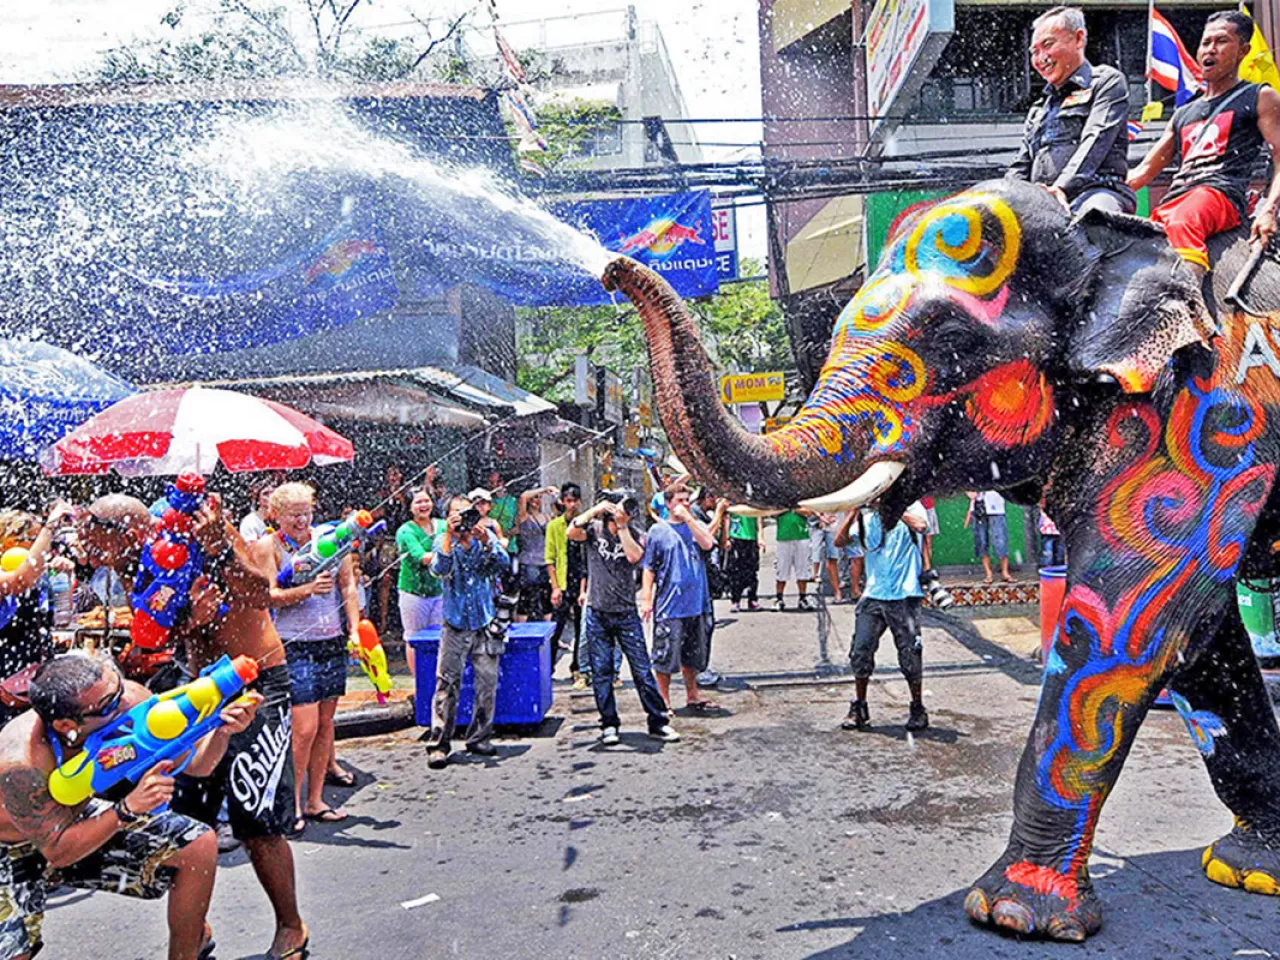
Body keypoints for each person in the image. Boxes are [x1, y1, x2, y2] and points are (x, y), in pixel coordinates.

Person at [78, 493, 309, 960]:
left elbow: (261, 593)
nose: (90, 552)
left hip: (255, 680)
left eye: (96, 540)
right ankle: (194, 930)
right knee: (183, 817)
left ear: (126, 531)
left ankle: (291, 925)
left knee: (255, 816)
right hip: (197, 687)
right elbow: (158, 632)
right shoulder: (138, 562)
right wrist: (182, 624)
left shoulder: (201, 529)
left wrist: (221, 550)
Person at [0, 653, 260, 960]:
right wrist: (125, 810)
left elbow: (199, 765)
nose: (123, 703)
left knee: (196, 844)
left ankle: (188, 948)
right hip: (15, 845)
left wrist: (221, 730)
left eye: (119, 688)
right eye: (109, 704)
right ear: (66, 724)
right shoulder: (21, 763)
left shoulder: (129, 699)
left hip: (73, 820)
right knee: (14, 952)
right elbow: (58, 852)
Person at [1129, 10, 1280, 278]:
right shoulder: (1182, 113)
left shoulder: (1259, 96)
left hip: (1220, 195)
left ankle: (1185, 302)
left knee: (1184, 220)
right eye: (1205, 42)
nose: (1210, 49)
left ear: (1243, 51)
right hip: (1176, 199)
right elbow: (1143, 172)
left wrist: (1269, 209)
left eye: (1221, 41)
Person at [260, 483, 361, 831]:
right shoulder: (270, 546)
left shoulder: (329, 539)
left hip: (331, 640)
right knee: (303, 729)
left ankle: (316, 800)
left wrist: (355, 629)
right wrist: (306, 590)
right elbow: (269, 595)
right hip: (294, 643)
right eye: (294, 515)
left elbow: (347, 585)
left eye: (306, 513)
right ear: (276, 515)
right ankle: (290, 803)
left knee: (325, 725)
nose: (302, 520)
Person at [569, 497, 680, 744]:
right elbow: (571, 532)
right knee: (601, 671)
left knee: (642, 670)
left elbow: (634, 557)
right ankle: (609, 724)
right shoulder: (593, 530)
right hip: (597, 611)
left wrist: (622, 526)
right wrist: (595, 510)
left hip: (626, 613)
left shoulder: (635, 533)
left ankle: (658, 722)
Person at [1008, 6, 1135, 216]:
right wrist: (1007, 196)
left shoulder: (1106, 82)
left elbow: (1096, 140)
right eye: (1034, 52)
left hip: (1098, 191)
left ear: (1078, 39)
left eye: (1048, 45)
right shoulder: (1039, 108)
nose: (1041, 58)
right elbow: (1021, 166)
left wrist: (1062, 187)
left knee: (1092, 220)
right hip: (1042, 202)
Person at [426, 496, 512, 769]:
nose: (463, 519)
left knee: (487, 683)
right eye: (457, 513)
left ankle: (479, 737)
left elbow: (502, 564)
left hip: (485, 621)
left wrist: (486, 542)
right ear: (448, 517)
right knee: (447, 684)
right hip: (455, 623)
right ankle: (439, 744)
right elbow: (439, 570)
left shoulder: (483, 537)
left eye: (467, 513)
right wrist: (449, 538)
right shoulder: (442, 540)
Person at [835, 501, 931, 732]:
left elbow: (921, 526)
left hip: (905, 594)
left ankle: (917, 708)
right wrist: (853, 512)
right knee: (860, 651)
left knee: (910, 654)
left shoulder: (912, 507)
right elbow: (840, 541)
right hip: (874, 595)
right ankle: (859, 707)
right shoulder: (868, 519)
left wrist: (894, 509)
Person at [640, 485, 719, 712]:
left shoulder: (697, 526)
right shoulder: (658, 531)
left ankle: (692, 694)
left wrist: (689, 520)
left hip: (697, 603)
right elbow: (649, 568)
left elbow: (708, 544)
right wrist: (646, 599)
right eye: (679, 500)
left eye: (687, 500)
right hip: (670, 605)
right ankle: (663, 700)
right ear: (668, 504)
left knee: (693, 655)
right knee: (665, 655)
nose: (684, 504)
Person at [0, 503, 75, 728]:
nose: (42, 548)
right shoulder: (11, 575)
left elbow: (62, 618)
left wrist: (63, 578)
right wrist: (50, 526)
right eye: (33, 540)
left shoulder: (39, 574)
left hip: (32, 679)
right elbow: (19, 581)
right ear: (8, 542)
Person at [396, 490, 444, 676]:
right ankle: (419, 681)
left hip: (439, 591)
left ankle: (437, 679)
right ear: (410, 507)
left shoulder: (443, 525)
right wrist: (448, 555)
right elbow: (421, 557)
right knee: (414, 637)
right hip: (413, 592)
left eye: (427, 501)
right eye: (418, 502)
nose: (424, 505)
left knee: (439, 636)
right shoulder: (405, 531)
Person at [545, 484, 588, 687]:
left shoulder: (585, 524)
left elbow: (586, 559)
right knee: (557, 626)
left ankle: (577, 667)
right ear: (562, 502)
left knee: (581, 627)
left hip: (580, 580)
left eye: (574, 500)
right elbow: (550, 558)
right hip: (562, 581)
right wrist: (555, 587)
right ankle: (548, 666)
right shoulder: (554, 526)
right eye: (568, 501)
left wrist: (583, 588)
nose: (572, 505)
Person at [372, 464, 413, 637]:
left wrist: (399, 496)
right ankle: (383, 621)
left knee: (407, 578)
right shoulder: (382, 494)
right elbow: (377, 513)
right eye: (390, 474)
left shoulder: (408, 493)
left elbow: (410, 511)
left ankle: (406, 621)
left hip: (406, 539)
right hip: (389, 541)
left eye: (396, 473)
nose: (393, 477)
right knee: (385, 579)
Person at [516, 485, 556, 627]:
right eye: (533, 498)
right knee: (526, 597)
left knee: (546, 596)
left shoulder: (546, 517)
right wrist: (544, 490)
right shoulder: (524, 516)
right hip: (529, 561)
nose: (536, 501)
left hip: (545, 561)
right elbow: (523, 496)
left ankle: (549, 629)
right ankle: (520, 629)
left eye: (538, 498)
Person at [965, 491, 1014, 584]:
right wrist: (969, 491)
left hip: (996, 506)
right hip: (977, 507)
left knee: (1000, 540)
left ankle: (1005, 572)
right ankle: (988, 573)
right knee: (981, 540)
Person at [724, 509, 764, 613]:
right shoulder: (733, 503)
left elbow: (759, 519)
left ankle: (752, 599)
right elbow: (727, 518)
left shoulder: (753, 503)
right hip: (736, 537)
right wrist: (726, 538)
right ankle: (735, 600)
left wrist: (760, 538)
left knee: (752, 571)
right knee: (736, 572)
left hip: (751, 538)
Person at [773, 508, 813, 611]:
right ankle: (779, 598)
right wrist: (785, 508)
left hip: (802, 536)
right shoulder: (780, 501)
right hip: (783, 536)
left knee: (803, 569)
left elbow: (809, 512)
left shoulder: (801, 500)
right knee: (782, 568)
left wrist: (794, 509)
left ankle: (803, 598)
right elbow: (772, 512)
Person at [809, 512, 845, 603]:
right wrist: (820, 517)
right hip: (817, 525)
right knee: (817, 551)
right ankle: (836, 591)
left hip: (835, 525)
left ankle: (837, 591)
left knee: (834, 558)